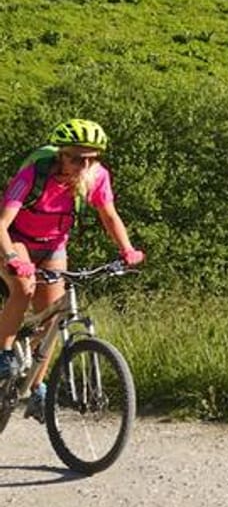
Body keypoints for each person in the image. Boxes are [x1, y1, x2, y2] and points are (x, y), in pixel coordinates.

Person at [0, 118, 144, 386]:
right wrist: (12, 258)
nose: (85, 166)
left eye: (92, 159)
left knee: (53, 319)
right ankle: (4, 355)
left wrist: (127, 249)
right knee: (24, 288)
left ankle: (36, 388)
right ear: (61, 156)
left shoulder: (96, 176)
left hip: (53, 244)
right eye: (77, 159)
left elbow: (109, 216)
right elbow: (2, 223)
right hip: (15, 239)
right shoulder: (34, 173)